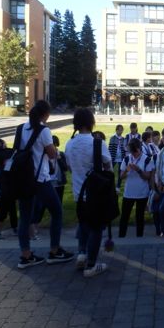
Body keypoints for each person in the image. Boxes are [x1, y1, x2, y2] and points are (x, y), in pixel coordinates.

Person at [17, 100, 73, 269]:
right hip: (40, 179)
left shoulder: (20, 128)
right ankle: (55, 251)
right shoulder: (44, 130)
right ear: (46, 114)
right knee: (57, 211)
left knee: (25, 218)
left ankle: (26, 255)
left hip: (23, 179)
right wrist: (55, 151)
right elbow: (52, 154)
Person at [65, 109, 112, 277]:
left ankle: (81, 253)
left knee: (84, 224)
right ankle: (91, 264)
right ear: (92, 122)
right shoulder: (97, 143)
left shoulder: (69, 144)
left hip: (78, 192)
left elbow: (69, 167)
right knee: (96, 228)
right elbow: (108, 167)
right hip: (95, 193)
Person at [118, 139, 155, 237]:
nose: (134, 154)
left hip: (142, 193)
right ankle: (121, 237)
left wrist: (139, 170)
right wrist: (126, 170)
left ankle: (139, 237)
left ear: (139, 149)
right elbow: (121, 177)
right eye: (132, 152)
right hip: (128, 193)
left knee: (140, 217)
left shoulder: (147, 160)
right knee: (124, 216)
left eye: (135, 152)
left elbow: (147, 177)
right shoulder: (126, 159)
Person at [0, 137, 17, 235]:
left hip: (7, 190)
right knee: (2, 212)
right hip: (0, 192)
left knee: (11, 210)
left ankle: (13, 227)